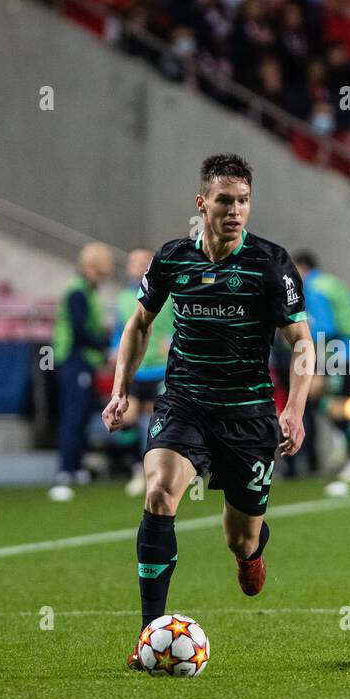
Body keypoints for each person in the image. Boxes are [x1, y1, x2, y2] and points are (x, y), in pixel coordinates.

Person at [102, 154, 313, 671]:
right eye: (224, 200)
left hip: (248, 414)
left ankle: (251, 554)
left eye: (243, 201)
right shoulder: (173, 258)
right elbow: (139, 325)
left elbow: (302, 343)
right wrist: (120, 390)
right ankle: (149, 632)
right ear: (202, 203)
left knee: (239, 537)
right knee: (158, 492)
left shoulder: (270, 263)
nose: (235, 210)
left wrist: (296, 410)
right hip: (185, 402)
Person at [295, 252, 350, 484]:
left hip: (342, 353)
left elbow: (325, 328)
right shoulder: (333, 283)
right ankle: (346, 446)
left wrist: (315, 360)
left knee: (328, 402)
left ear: (302, 268)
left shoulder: (313, 288)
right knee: (336, 402)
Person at [50, 241, 114, 500]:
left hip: (83, 360)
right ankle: (66, 468)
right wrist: (103, 345)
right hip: (73, 359)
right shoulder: (77, 292)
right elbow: (79, 331)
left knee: (83, 413)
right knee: (73, 414)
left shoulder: (86, 291)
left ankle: (76, 466)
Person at [110, 248, 175, 496]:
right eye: (132, 261)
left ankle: (152, 471)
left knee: (153, 421)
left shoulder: (167, 294)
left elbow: (181, 321)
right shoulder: (123, 298)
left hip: (160, 368)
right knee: (126, 418)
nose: (134, 266)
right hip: (136, 369)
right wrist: (114, 349)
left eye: (140, 262)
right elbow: (120, 330)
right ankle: (138, 466)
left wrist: (173, 339)